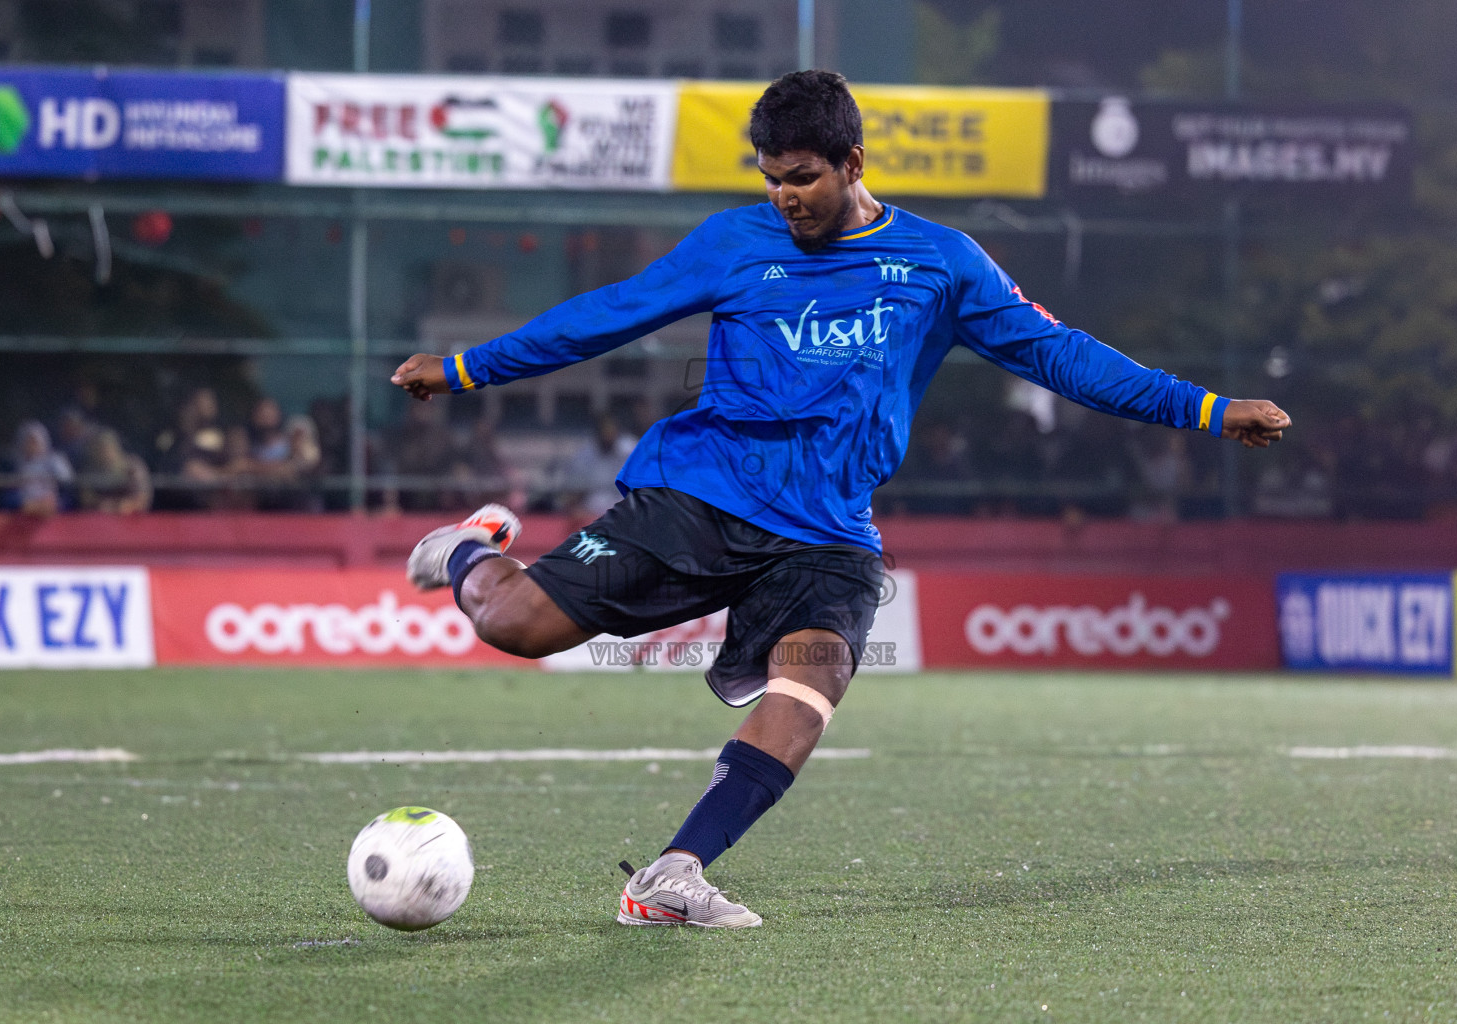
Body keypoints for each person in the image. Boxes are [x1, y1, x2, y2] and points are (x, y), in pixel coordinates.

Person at [389, 71, 1291, 929]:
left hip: (829, 533)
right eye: (772, 178)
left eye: (804, 177)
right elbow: (606, 313)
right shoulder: (735, 244)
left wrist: (1206, 409)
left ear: (854, 164)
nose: (786, 196)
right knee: (515, 624)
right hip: (701, 495)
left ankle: (675, 873)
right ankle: (472, 548)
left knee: (812, 678)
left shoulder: (942, 263)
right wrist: (470, 366)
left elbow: (1062, 356)